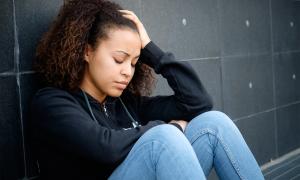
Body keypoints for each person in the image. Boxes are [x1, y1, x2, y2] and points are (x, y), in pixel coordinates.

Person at [29, 0, 265, 179]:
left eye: (133, 63)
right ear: (87, 52)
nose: (127, 72)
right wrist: (170, 128)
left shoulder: (126, 104)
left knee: (214, 123)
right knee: (162, 138)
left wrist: (151, 50)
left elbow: (198, 102)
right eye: (119, 59)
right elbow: (105, 148)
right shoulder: (53, 102)